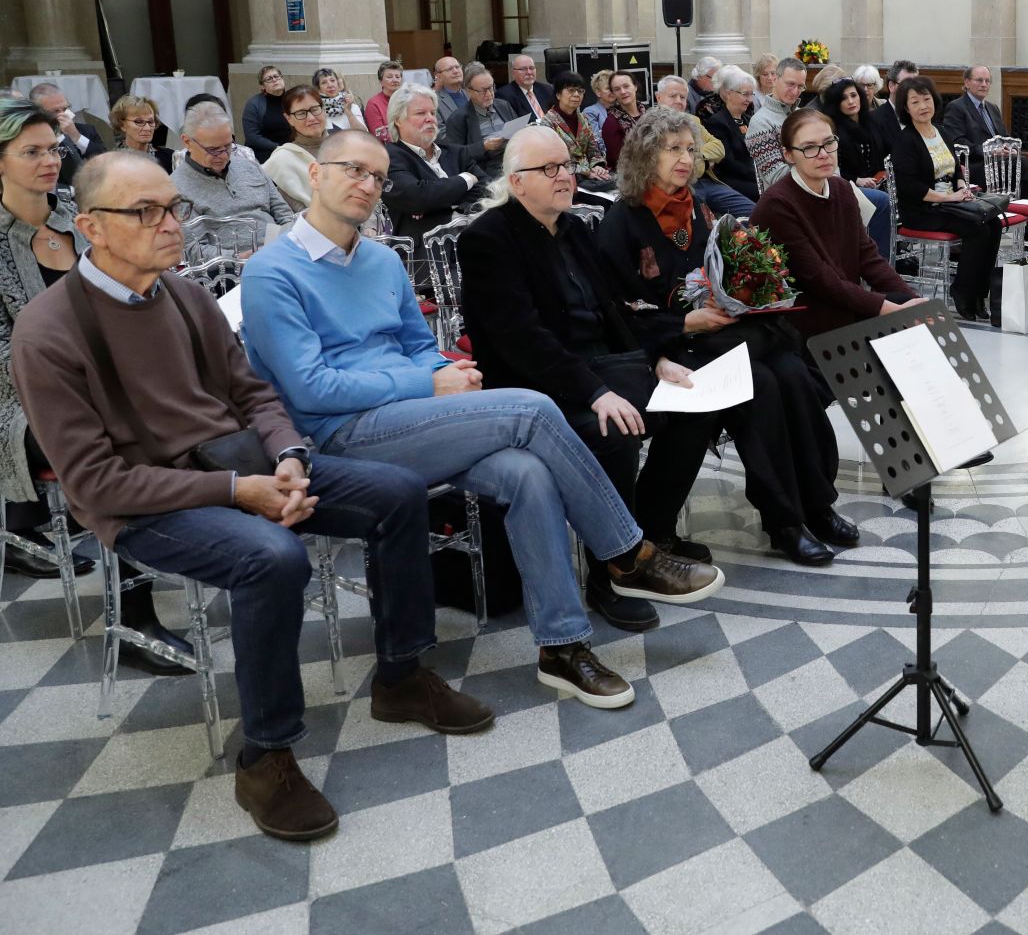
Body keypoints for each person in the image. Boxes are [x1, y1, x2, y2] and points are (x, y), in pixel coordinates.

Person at [14, 150, 496, 842]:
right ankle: (264, 753)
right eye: (144, 211)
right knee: (271, 557)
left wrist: (291, 455)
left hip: (239, 464)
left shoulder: (181, 294)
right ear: (90, 225)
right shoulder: (49, 330)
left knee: (395, 491)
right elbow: (97, 484)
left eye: (172, 207)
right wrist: (243, 492)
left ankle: (399, 674)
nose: (169, 223)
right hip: (147, 505)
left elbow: (251, 392)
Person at [241, 130, 725, 712]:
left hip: (417, 418)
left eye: (376, 176)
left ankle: (563, 647)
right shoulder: (273, 273)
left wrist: (447, 375)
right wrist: (428, 381)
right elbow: (308, 387)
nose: (367, 185)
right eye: (352, 170)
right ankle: (626, 553)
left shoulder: (379, 260)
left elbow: (419, 344)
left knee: (528, 473)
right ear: (315, 175)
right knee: (531, 406)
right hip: (340, 435)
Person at [459, 126, 724, 630]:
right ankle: (611, 572)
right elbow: (522, 340)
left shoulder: (575, 228)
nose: (565, 176)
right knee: (615, 430)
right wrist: (596, 392)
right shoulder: (487, 239)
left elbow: (611, 310)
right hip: (537, 384)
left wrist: (656, 358)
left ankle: (647, 538)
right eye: (550, 169)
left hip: (603, 367)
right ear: (517, 182)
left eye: (567, 166)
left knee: (694, 406)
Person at [597, 108, 857, 567]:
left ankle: (817, 504)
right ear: (644, 155)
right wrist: (683, 325)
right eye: (672, 149)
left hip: (721, 335)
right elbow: (614, 311)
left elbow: (714, 271)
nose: (684, 158)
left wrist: (742, 291)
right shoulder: (623, 220)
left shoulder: (695, 205)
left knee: (794, 372)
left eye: (690, 149)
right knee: (759, 385)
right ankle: (784, 523)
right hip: (668, 346)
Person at [0, 101, 95, 587]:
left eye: (54, 149)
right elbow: (4, 350)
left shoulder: (79, 219)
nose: (50, 160)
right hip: (24, 395)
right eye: (31, 151)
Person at [752, 108, 919, 340]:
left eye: (829, 142)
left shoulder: (841, 188)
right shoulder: (777, 205)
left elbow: (867, 256)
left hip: (843, 303)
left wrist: (913, 301)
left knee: (910, 307)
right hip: (806, 317)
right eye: (809, 147)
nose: (823, 154)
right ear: (788, 155)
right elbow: (818, 279)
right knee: (897, 314)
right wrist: (884, 307)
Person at [889, 76, 1002, 322]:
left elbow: (956, 169)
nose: (923, 106)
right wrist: (948, 198)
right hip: (923, 210)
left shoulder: (941, 131)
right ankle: (962, 291)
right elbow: (911, 188)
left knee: (993, 225)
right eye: (915, 102)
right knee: (977, 230)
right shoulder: (905, 140)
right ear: (906, 108)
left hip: (949, 204)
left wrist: (962, 188)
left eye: (926, 99)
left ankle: (979, 294)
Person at [172, 102, 294, 239]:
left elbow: (283, 213)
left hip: (278, 248)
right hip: (231, 258)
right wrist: (245, 257)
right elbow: (195, 249)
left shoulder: (248, 165)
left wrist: (286, 242)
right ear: (187, 142)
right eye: (213, 150)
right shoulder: (176, 188)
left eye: (228, 146)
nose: (224, 156)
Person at [382, 85, 482, 243]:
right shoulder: (388, 157)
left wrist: (435, 203)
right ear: (398, 121)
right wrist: (466, 179)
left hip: (474, 241)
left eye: (433, 113)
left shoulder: (457, 152)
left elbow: (488, 189)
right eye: (421, 113)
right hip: (427, 255)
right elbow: (416, 197)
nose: (430, 119)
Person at [822, 76, 893, 259]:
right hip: (846, 185)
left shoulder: (871, 122)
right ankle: (879, 260)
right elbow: (831, 169)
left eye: (854, 95)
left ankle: (898, 251)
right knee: (884, 200)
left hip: (876, 181)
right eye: (844, 98)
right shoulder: (832, 128)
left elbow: (887, 152)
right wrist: (856, 180)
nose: (851, 101)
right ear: (836, 104)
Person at [695, 67, 759, 217]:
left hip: (751, 175)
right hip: (731, 179)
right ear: (729, 94)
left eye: (751, 94)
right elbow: (727, 162)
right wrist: (756, 175)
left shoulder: (748, 119)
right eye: (745, 94)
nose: (749, 99)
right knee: (766, 193)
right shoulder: (718, 122)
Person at [445, 61, 518, 180]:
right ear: (468, 91)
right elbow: (454, 155)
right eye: (482, 91)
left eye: (491, 88)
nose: (489, 94)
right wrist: (484, 146)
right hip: (488, 169)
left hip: (514, 159)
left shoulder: (503, 105)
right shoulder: (458, 118)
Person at [262, 85, 329, 209]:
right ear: (289, 119)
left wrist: (370, 228)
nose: (311, 118)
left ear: (323, 109)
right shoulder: (282, 160)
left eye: (315, 109)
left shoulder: (344, 146)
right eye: (301, 113)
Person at [542, 70, 611, 188]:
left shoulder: (583, 118)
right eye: (571, 90)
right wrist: (587, 171)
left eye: (580, 91)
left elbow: (593, 150)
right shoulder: (547, 123)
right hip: (565, 180)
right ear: (558, 94)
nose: (576, 94)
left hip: (590, 178)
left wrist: (597, 167)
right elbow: (555, 160)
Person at [27, 83, 104, 184]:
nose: (63, 115)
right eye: (55, 111)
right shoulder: (31, 139)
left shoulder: (87, 130)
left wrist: (76, 136)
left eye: (65, 109)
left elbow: (104, 161)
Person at [940, 65, 1005, 182]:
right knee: (1022, 168)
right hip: (976, 164)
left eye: (987, 81)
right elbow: (958, 143)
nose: (984, 84)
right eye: (979, 80)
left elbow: (1004, 137)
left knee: (1026, 164)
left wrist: (1011, 148)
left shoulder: (993, 108)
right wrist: (990, 151)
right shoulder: (956, 107)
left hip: (1002, 160)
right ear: (967, 83)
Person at [653, 75, 724, 169]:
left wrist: (695, 154)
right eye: (673, 96)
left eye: (682, 97)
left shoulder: (693, 120)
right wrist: (706, 164)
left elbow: (719, 148)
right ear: (658, 97)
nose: (678, 101)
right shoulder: (651, 124)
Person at [241, 66, 293, 162]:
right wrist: (279, 148)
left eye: (276, 76)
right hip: (265, 154)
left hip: (292, 151)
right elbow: (252, 137)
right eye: (268, 79)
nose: (274, 80)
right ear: (263, 86)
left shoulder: (292, 99)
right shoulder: (254, 104)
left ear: (282, 78)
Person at [110, 94, 173, 172]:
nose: (147, 128)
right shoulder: (111, 162)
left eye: (150, 122)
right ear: (122, 125)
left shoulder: (169, 158)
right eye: (139, 122)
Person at [749, 57, 807, 138]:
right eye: (790, 84)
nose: (795, 91)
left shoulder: (804, 115)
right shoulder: (760, 122)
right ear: (775, 79)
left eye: (801, 86)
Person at [599, 71, 646, 169]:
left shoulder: (649, 113)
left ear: (635, 87)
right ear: (613, 94)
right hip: (631, 176)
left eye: (626, 86)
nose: (623, 92)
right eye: (617, 89)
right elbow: (617, 160)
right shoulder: (611, 123)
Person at [870, 59, 917, 151]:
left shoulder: (920, 115)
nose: (912, 90)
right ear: (891, 86)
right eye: (906, 84)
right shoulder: (874, 119)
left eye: (915, 85)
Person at [498, 53, 556, 121]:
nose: (529, 72)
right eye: (523, 69)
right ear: (513, 73)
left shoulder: (547, 89)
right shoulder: (504, 96)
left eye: (531, 68)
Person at [313, 68, 368, 133]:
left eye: (332, 80)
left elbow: (363, 134)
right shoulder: (317, 111)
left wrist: (348, 112)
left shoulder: (352, 106)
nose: (330, 85)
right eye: (324, 82)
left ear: (338, 84)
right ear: (318, 89)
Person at [363, 61, 404, 141]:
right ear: (381, 81)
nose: (394, 80)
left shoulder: (408, 100)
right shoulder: (373, 104)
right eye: (389, 77)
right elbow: (379, 134)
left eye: (398, 77)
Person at [433, 56, 468, 125]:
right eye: (449, 69)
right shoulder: (434, 101)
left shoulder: (472, 93)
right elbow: (440, 132)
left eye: (457, 67)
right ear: (438, 75)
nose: (456, 71)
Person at [584, 69, 615, 145]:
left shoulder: (622, 109)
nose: (612, 91)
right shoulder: (590, 112)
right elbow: (596, 140)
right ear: (598, 92)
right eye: (608, 88)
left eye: (614, 88)